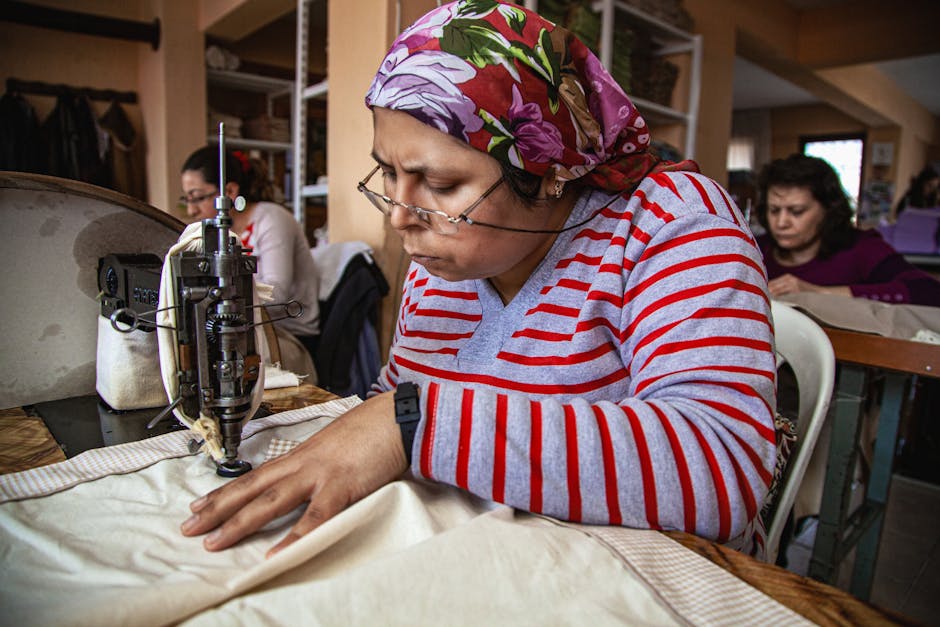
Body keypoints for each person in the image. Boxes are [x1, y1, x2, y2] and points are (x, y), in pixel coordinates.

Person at [181, 0, 776, 559]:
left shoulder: (671, 223)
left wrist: (411, 426)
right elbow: (400, 400)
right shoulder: (446, 256)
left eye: (439, 186)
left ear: (548, 173)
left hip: (647, 575)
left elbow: (725, 467)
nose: (399, 216)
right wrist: (386, 422)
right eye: (388, 172)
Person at [179, 146, 321, 356]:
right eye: (186, 199)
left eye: (198, 198)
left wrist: (220, 299)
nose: (191, 210)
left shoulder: (272, 219)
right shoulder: (218, 234)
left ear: (229, 192)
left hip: (290, 334)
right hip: (247, 328)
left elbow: (277, 294)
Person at [756, 154, 940, 306]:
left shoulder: (862, 247)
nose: (781, 223)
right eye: (774, 210)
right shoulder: (755, 249)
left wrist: (820, 292)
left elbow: (928, 291)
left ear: (828, 209)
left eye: (797, 212)